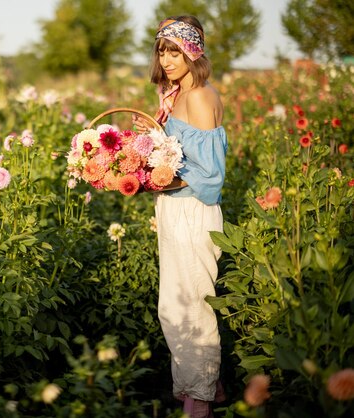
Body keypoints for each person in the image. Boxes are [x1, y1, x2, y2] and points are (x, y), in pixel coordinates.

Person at [133, 15, 228, 418]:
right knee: (174, 305)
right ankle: (206, 389)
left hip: (192, 211)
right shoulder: (174, 96)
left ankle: (200, 401)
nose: (168, 59)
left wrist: (153, 179)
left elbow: (210, 178)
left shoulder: (201, 97)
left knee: (190, 307)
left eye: (175, 50)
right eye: (162, 50)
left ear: (194, 51)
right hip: (174, 211)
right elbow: (173, 157)